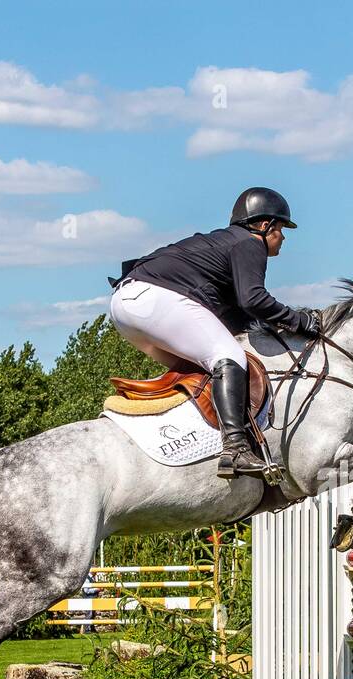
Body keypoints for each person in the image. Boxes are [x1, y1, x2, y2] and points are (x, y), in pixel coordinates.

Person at [107, 187, 322, 479]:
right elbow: (254, 299)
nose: (283, 237)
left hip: (126, 307)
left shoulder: (226, 245)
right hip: (152, 299)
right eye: (281, 228)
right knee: (227, 356)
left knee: (208, 368)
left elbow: (239, 315)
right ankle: (235, 448)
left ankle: (188, 441)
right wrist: (299, 321)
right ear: (263, 225)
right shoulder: (249, 243)